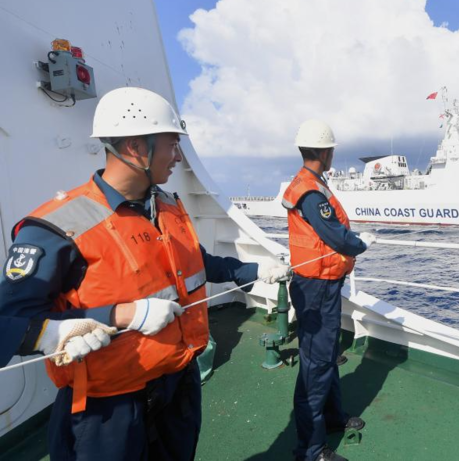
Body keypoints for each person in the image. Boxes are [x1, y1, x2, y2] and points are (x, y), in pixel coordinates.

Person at [0, 87, 290, 460]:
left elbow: (197, 265)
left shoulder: (168, 207)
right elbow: (8, 320)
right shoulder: (59, 227)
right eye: (172, 144)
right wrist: (60, 331)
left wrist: (253, 269)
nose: (178, 156)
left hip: (178, 384)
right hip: (110, 410)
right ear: (137, 148)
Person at [282, 119, 376, 461]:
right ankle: (310, 449)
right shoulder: (310, 190)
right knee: (317, 366)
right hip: (316, 287)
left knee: (327, 357)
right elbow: (334, 234)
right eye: (332, 149)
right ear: (325, 151)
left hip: (324, 284)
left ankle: (333, 417)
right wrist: (360, 244)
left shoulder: (313, 183)